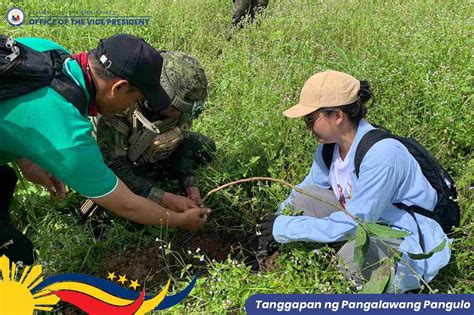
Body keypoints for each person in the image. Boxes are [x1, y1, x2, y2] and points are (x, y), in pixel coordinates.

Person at [0, 34, 210, 264]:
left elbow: (13, 103)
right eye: (135, 99)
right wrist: (180, 221)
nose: (131, 106)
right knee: (18, 258)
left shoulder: (47, 51)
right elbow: (127, 205)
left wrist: (25, 156)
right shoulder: (70, 136)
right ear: (119, 88)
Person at [256, 70, 451, 293]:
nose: (307, 127)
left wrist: (285, 228)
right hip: (369, 223)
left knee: (347, 263)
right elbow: (305, 190)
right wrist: (276, 218)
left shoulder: (382, 155)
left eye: (310, 120)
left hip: (403, 234)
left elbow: (358, 222)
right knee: (304, 199)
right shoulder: (329, 150)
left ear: (337, 115)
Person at [95, 51, 216, 213]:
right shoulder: (120, 107)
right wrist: (165, 199)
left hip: (148, 157)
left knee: (206, 148)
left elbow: (183, 141)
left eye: (184, 109)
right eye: (175, 107)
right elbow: (115, 167)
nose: (178, 114)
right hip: (113, 162)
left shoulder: (181, 109)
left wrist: (189, 183)